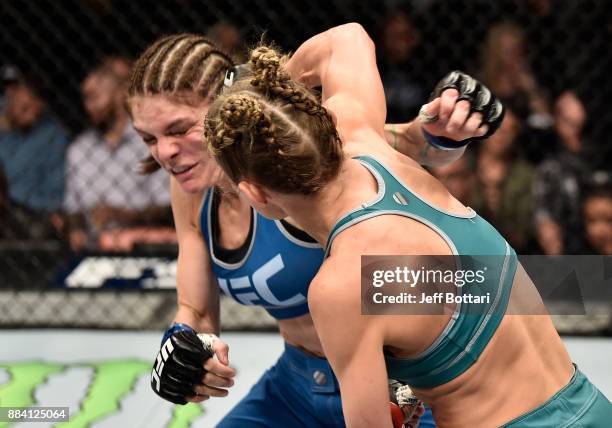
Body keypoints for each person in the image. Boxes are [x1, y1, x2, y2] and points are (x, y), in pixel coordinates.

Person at [205, 23, 611, 427]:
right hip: (590, 405)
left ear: (255, 193)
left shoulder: (341, 285)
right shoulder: (370, 144)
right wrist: (271, 97)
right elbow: (346, 38)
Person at [127, 32, 501, 427]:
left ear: (224, 109)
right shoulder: (191, 188)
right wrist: (183, 350)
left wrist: (260, 89)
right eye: (149, 138)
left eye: (179, 129)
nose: (164, 153)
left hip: (397, 382)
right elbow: (198, 310)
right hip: (295, 386)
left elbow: (411, 142)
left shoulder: (292, 153)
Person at [64, 59, 173, 252]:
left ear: (118, 94)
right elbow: (73, 209)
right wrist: (76, 228)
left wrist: (122, 216)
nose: (88, 106)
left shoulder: (149, 143)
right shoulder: (80, 149)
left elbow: (169, 208)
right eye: (85, 99)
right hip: (93, 249)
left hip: (146, 247)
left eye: (94, 97)